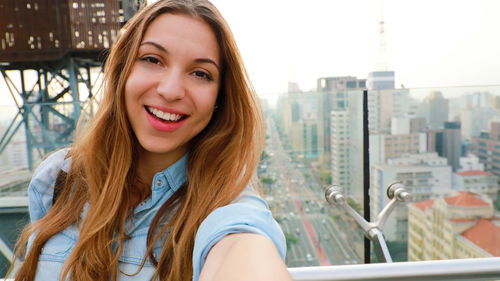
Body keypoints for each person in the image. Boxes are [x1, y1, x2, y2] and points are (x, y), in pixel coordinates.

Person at [9, 1, 292, 280]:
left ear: (220, 98)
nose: (170, 91)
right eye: (152, 60)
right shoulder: (57, 178)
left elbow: (244, 251)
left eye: (200, 73)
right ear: (123, 70)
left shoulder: (228, 209)